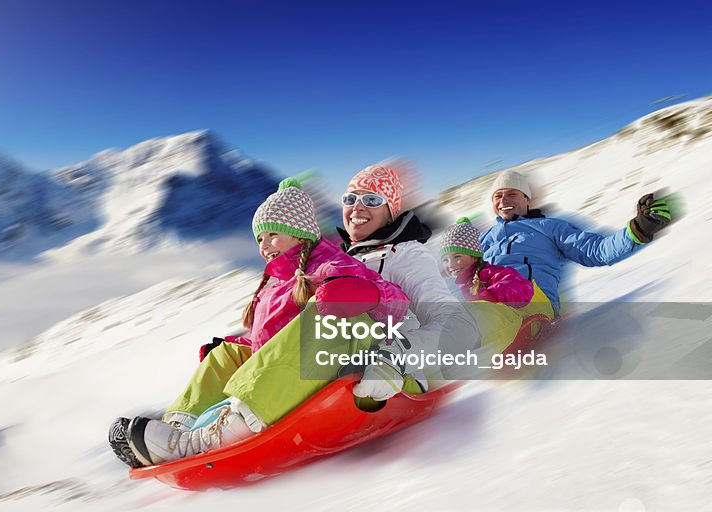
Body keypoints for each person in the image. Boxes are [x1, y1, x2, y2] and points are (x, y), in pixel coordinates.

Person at [109, 178, 409, 468]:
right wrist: (239, 347)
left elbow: (397, 304)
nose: (265, 246)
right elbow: (271, 340)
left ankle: (213, 436)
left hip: (337, 363)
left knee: (324, 315)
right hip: (288, 370)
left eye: (273, 235)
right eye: (260, 239)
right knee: (225, 354)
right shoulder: (273, 284)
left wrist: (364, 294)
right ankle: (180, 427)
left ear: (300, 234)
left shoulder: (331, 264)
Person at [337, 164, 481, 396]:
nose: (357, 208)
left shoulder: (405, 254)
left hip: (390, 379)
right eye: (350, 198)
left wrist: (394, 359)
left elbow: (460, 328)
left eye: (372, 200)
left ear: (391, 212)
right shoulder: (339, 260)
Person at [481, 170, 675, 317]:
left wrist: (638, 229)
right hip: (487, 309)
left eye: (511, 194)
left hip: (530, 306)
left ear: (527, 199)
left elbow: (596, 251)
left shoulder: (550, 227)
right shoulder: (485, 237)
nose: (503, 200)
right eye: (497, 196)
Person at [440, 217, 536, 351]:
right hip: (495, 331)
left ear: (474, 256)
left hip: (519, 324)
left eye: (457, 257)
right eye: (445, 260)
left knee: (472, 311)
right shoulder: (457, 285)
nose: (450, 265)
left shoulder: (488, 273)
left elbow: (523, 289)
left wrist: (490, 295)